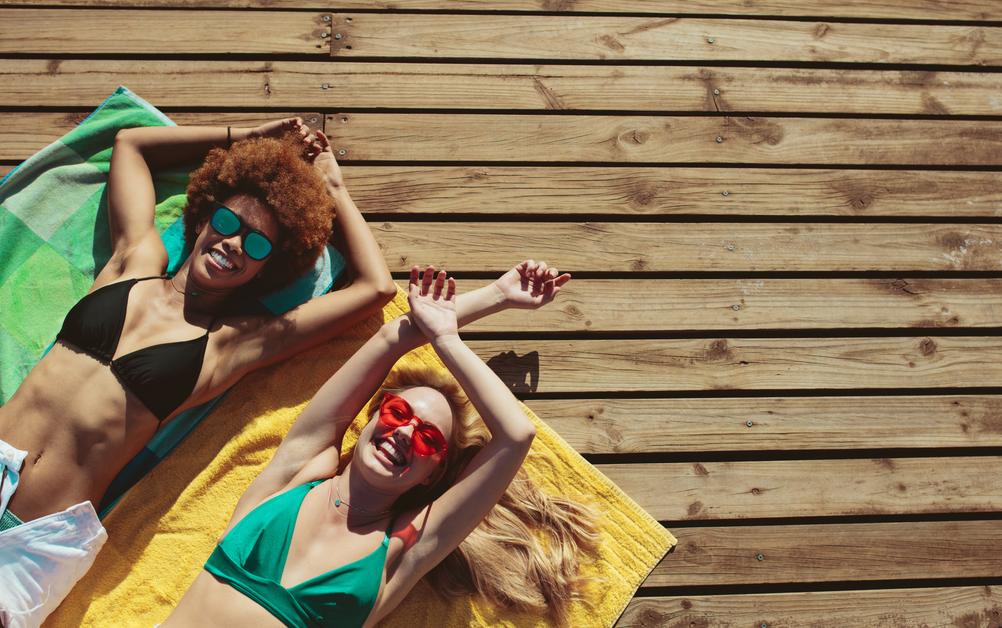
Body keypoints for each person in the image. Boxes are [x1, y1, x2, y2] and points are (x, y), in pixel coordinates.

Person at [0, 118, 400, 627]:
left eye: (257, 246)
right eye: (230, 223)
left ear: (267, 268)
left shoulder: (233, 343)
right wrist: (259, 136)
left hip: (43, 537)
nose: (235, 244)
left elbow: (375, 288)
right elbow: (132, 144)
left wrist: (333, 186)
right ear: (207, 215)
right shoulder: (134, 261)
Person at [164, 263, 597, 628]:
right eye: (396, 414)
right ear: (371, 418)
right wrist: (496, 295)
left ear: (436, 472)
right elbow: (394, 338)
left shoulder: (405, 545)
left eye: (428, 438)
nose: (406, 433)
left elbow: (515, 436)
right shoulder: (300, 471)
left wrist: (447, 340)